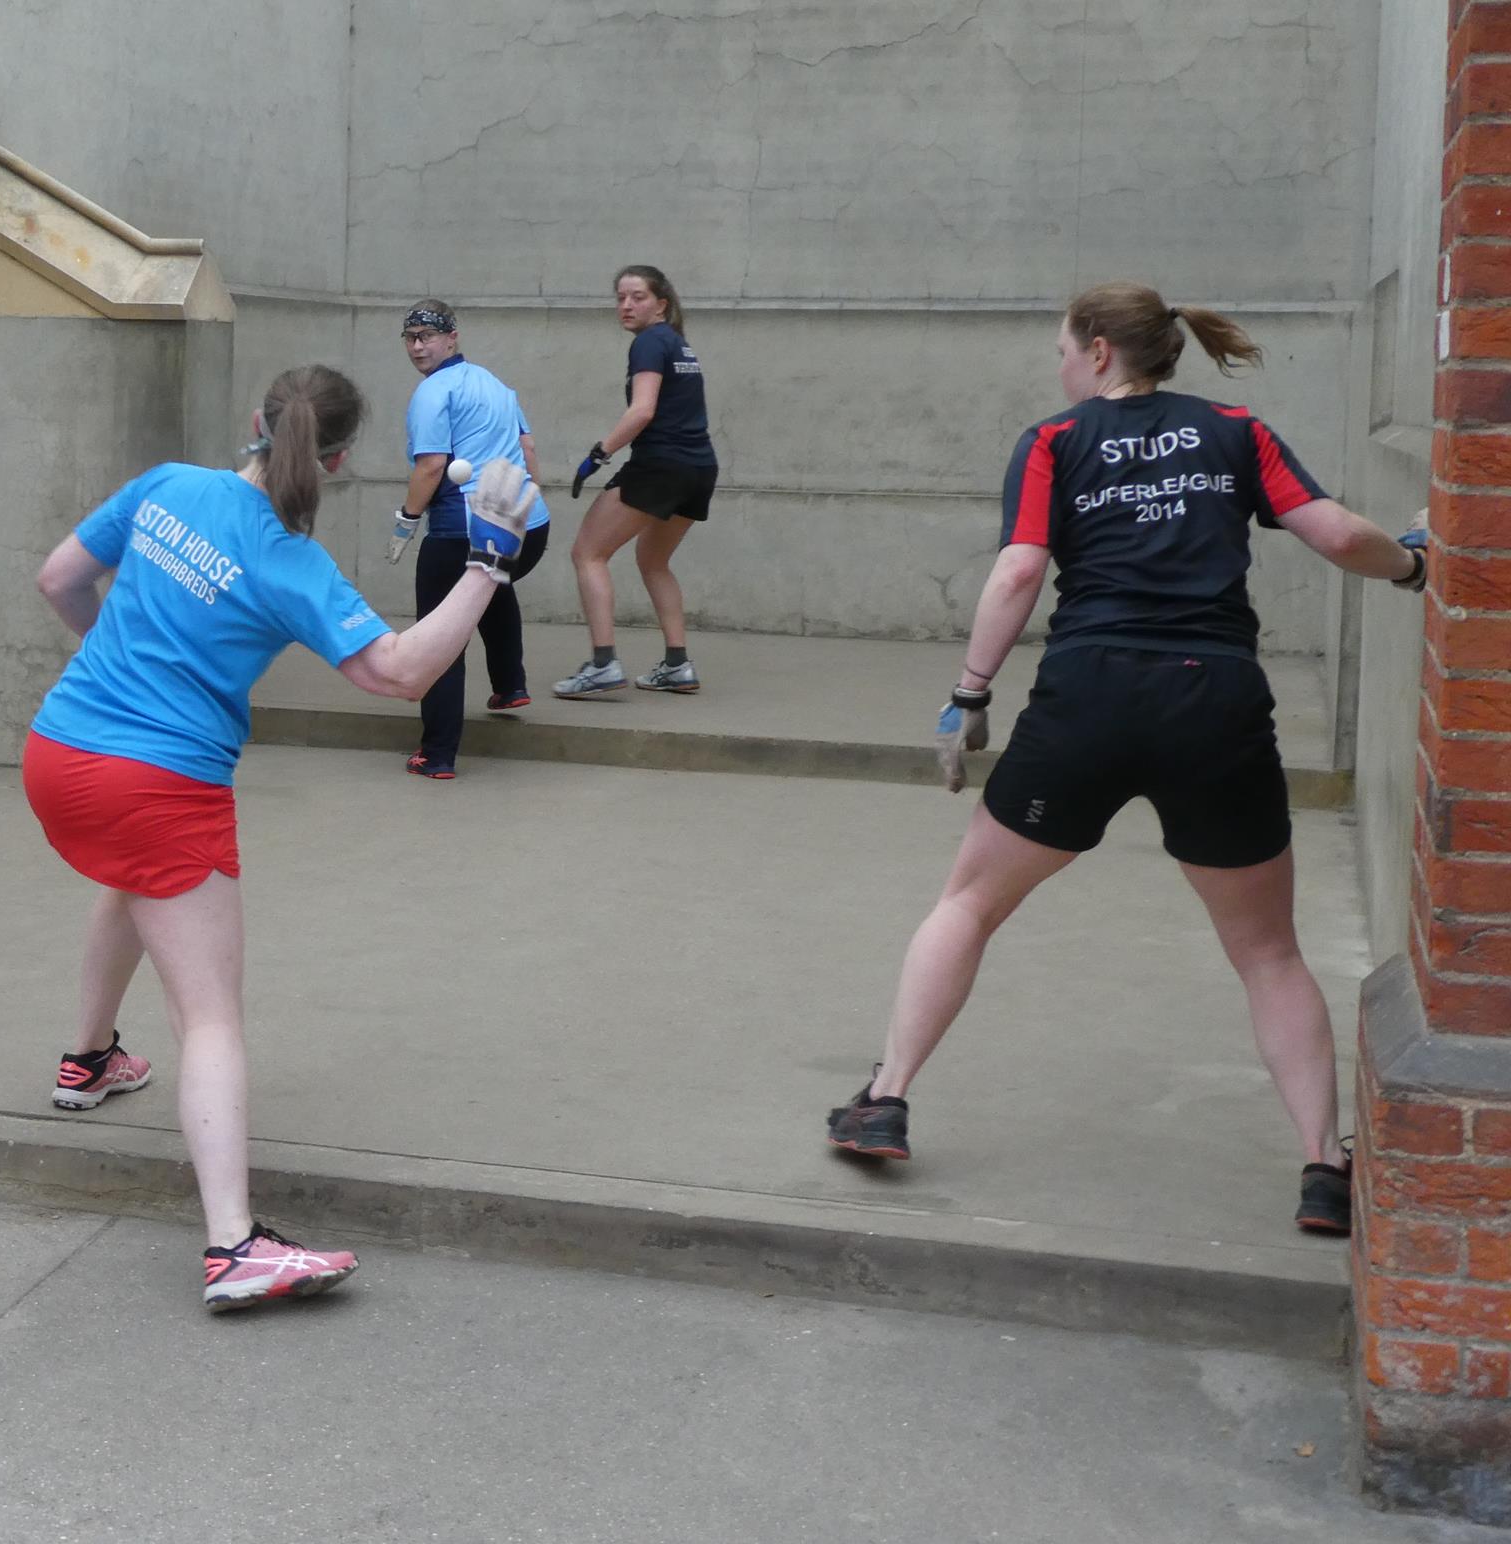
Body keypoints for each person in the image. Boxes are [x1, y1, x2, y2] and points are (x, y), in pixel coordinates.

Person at [825, 283, 1428, 1238]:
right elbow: (1336, 533)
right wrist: (1415, 566)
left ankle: (883, 1099)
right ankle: (1321, 1165)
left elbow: (1020, 570)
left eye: (1064, 347)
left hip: (1089, 699)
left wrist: (971, 694)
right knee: (1268, 952)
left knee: (968, 903)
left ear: (1099, 350)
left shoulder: (1055, 441)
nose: (1060, 365)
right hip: (1214, 700)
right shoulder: (1236, 430)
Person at [24, 365, 538, 1309]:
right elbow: (402, 674)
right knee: (211, 1016)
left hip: (57, 754)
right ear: (336, 461)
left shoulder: (167, 484)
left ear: (253, 422)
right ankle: (233, 1248)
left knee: (134, 881)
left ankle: (88, 1061)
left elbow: (60, 580)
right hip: (160, 784)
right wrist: (484, 567)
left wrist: (110, 659)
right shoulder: (291, 563)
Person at [385, 299, 554, 779]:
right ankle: (510, 685)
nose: (418, 346)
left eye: (428, 336)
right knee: (490, 583)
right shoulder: (496, 385)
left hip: (461, 532)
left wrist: (406, 521)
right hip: (528, 528)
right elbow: (528, 447)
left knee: (441, 635)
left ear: (452, 338)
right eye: (410, 337)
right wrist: (530, 497)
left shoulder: (432, 393)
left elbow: (431, 466)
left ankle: (436, 754)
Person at [555, 265, 718, 699]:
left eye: (638, 297)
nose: (627, 305)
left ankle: (603, 665)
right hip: (699, 469)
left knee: (588, 553)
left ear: (661, 304)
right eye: (621, 297)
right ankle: (678, 665)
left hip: (661, 466)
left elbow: (642, 411)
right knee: (653, 560)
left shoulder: (649, 342)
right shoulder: (677, 344)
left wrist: (599, 454)